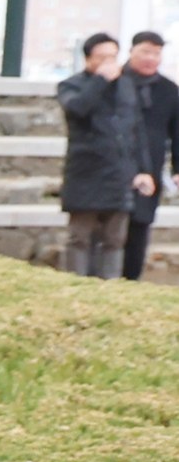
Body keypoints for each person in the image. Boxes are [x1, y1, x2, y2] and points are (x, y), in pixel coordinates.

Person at [58, 32, 157, 280]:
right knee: (80, 238)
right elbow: (78, 109)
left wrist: (143, 170)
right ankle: (75, 284)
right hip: (86, 172)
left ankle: (110, 288)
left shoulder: (126, 86)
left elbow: (137, 130)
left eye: (113, 57)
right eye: (102, 57)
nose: (109, 63)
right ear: (88, 59)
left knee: (114, 239)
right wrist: (100, 80)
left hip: (119, 173)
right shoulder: (71, 85)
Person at [125, 31, 176, 283]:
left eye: (156, 53)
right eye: (145, 51)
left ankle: (131, 279)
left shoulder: (169, 90)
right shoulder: (115, 82)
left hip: (151, 168)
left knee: (140, 225)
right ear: (131, 51)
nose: (151, 58)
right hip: (115, 165)